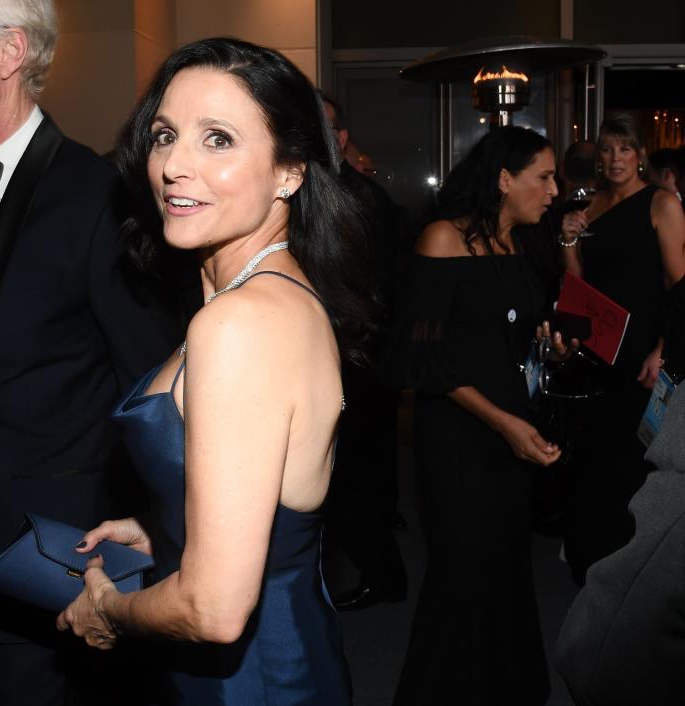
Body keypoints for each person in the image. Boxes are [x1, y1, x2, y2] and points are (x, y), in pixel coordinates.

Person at [56, 37, 379, 705]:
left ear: (290, 171)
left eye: (218, 139)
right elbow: (269, 492)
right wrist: (168, 526)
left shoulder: (238, 325)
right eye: (166, 134)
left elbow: (214, 611)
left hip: (252, 683)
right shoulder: (270, 295)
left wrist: (106, 612)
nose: (174, 164)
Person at [0, 0, 177, 703]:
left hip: (64, 561)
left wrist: (154, 538)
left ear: (10, 51)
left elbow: (155, 388)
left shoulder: (101, 198)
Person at [387, 127, 570, 705]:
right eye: (543, 176)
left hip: (512, 430)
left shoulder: (520, 245)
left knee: (504, 565)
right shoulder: (444, 240)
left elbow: (505, 336)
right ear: (503, 179)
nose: (554, 189)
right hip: (462, 438)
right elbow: (419, 359)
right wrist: (503, 422)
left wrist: (546, 349)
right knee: (462, 571)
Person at [560, 112, 685, 584]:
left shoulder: (661, 203)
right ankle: (592, 561)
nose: (615, 158)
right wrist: (568, 238)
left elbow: (679, 286)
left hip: (643, 355)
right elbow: (575, 285)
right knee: (593, 458)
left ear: (641, 155)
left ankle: (630, 568)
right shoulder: (588, 206)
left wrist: (664, 350)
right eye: (607, 149)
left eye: (625, 149)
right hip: (598, 351)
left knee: (633, 462)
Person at [319, 91, 408, 609]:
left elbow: (379, 285)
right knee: (355, 470)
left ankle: (383, 574)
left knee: (348, 474)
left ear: (342, 137)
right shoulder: (314, 188)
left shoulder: (360, 198)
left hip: (354, 356)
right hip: (344, 354)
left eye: (324, 127)